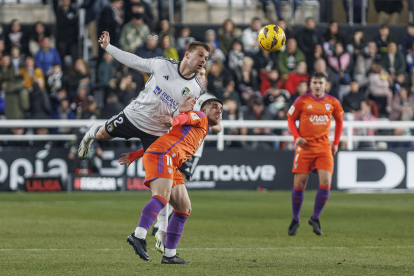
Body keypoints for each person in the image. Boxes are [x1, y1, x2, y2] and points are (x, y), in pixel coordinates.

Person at [121, 98, 223, 264]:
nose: (219, 111)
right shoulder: (200, 116)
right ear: (203, 109)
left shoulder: (201, 129)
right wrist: (173, 120)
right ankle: (138, 235)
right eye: (215, 107)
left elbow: (166, 137)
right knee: (162, 196)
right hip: (163, 155)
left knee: (184, 208)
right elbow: (185, 118)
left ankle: (169, 255)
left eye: (221, 109)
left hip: (166, 158)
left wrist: (136, 154)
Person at [78, 31, 208, 158]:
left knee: (159, 175)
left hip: (157, 132)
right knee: (102, 135)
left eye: (206, 58)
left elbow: (177, 117)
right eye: (200, 55)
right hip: (135, 116)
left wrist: (179, 111)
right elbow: (134, 61)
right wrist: (108, 47)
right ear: (187, 54)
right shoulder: (163, 64)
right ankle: (88, 137)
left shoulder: (195, 88)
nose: (203, 60)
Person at [286, 72, 344, 236]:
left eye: (320, 82)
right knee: (300, 184)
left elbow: (340, 121)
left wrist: (336, 142)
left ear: (326, 85)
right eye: (315, 82)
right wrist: (296, 137)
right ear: (310, 85)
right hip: (305, 148)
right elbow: (291, 119)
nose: (318, 85)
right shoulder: (302, 100)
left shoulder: (332, 102)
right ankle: (295, 219)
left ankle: (315, 218)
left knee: (326, 183)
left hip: (324, 147)